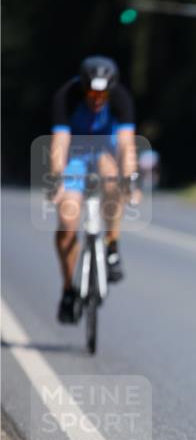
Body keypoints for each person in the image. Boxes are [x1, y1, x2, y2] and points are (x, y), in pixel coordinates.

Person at [49, 56, 140, 323]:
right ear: (83, 87)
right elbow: (59, 144)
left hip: (105, 150)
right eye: (91, 92)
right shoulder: (66, 96)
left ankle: (112, 243)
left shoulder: (121, 97)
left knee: (114, 177)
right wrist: (56, 179)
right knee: (67, 222)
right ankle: (68, 289)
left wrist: (130, 178)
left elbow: (126, 145)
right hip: (75, 155)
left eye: (103, 94)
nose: (97, 99)